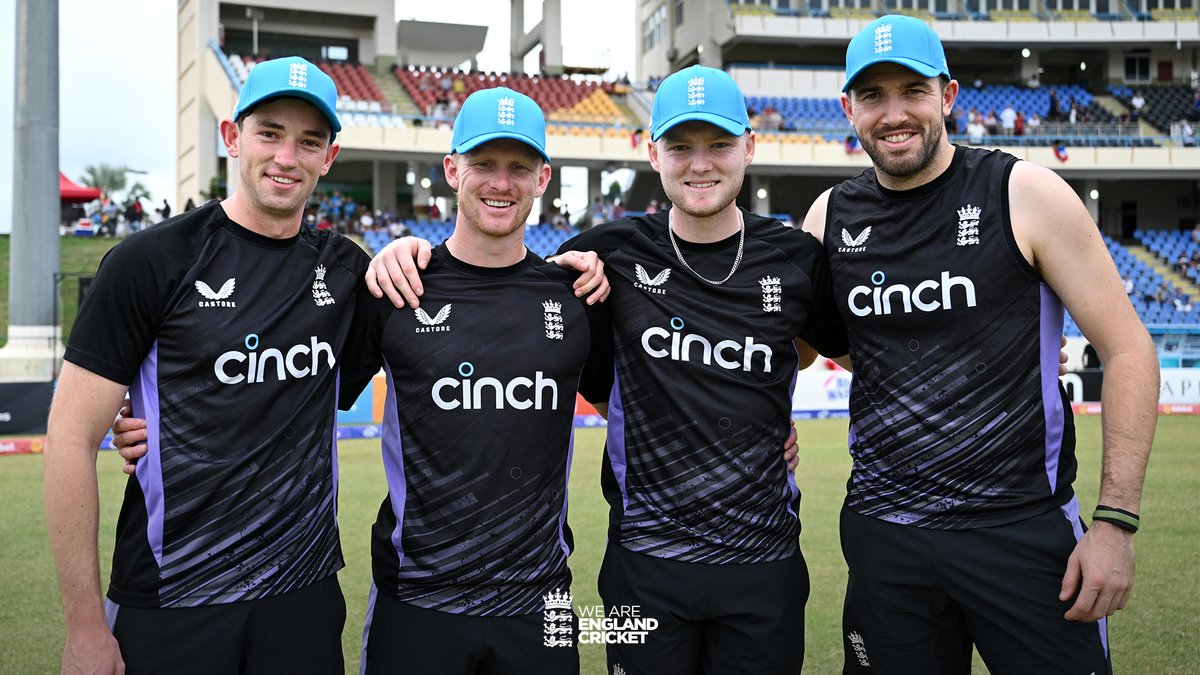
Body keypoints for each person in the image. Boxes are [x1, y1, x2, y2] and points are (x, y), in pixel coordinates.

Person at [365, 64, 851, 675]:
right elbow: (574, 357)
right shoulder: (606, 256)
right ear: (653, 153)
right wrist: (402, 249)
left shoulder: (796, 258)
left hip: (764, 560)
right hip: (640, 564)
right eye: (680, 146)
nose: (700, 163)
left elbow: (810, 349)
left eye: (719, 145)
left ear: (749, 148)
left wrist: (764, 410)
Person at [801, 15, 1158, 673]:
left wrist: (1115, 523)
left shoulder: (1024, 193)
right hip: (886, 539)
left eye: (913, 90)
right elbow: (800, 349)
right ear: (848, 109)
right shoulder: (829, 217)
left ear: (949, 96)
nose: (894, 113)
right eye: (873, 95)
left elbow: (1129, 350)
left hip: (1021, 532)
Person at [44, 56, 364, 674]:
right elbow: (70, 436)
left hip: (303, 596)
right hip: (172, 599)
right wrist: (83, 627)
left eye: (308, 141)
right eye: (269, 133)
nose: (286, 157)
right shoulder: (149, 261)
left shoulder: (346, 270)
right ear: (231, 137)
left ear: (329, 157)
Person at [345, 86, 613, 675]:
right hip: (417, 598)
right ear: (451, 170)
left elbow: (636, 406)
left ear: (543, 179)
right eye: (484, 163)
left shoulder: (575, 298)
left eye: (519, 167)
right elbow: (303, 392)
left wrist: (766, 436)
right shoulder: (397, 287)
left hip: (539, 600)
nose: (501, 182)